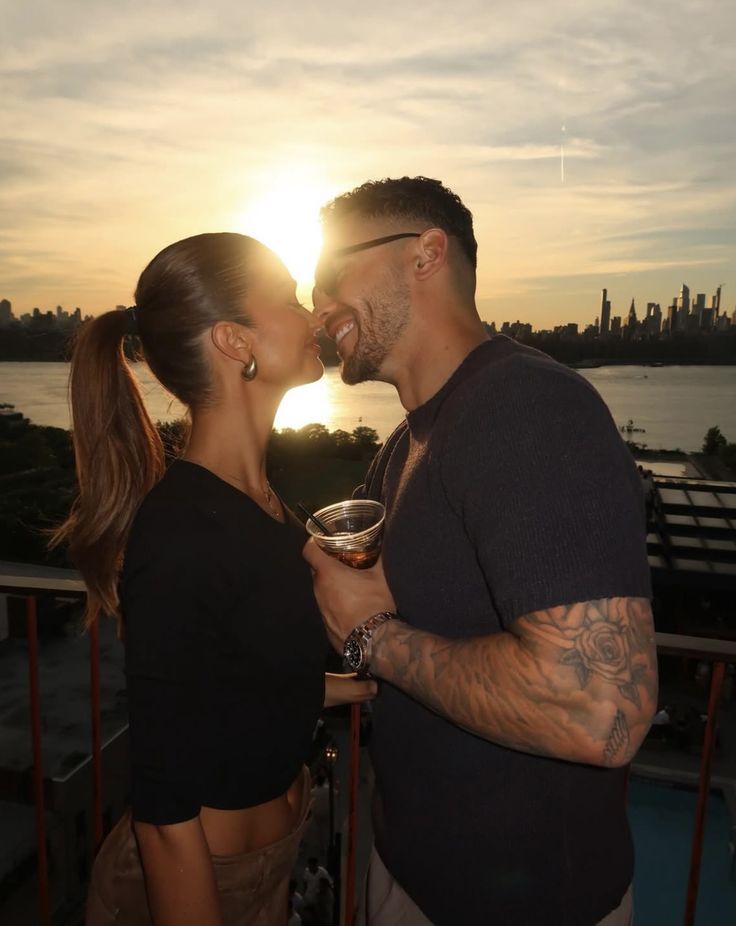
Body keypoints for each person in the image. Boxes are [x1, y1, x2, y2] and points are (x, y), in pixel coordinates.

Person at [306, 178, 658, 925]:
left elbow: (604, 712)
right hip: (409, 871)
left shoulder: (527, 408)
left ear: (426, 254)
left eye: (332, 277)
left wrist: (373, 637)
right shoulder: (405, 446)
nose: (319, 310)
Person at [52, 232, 375, 925]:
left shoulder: (268, 511)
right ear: (234, 342)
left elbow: (235, 688)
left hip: (268, 865)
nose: (314, 314)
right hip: (205, 885)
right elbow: (166, 819)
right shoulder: (183, 534)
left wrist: (395, 677)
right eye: (289, 300)